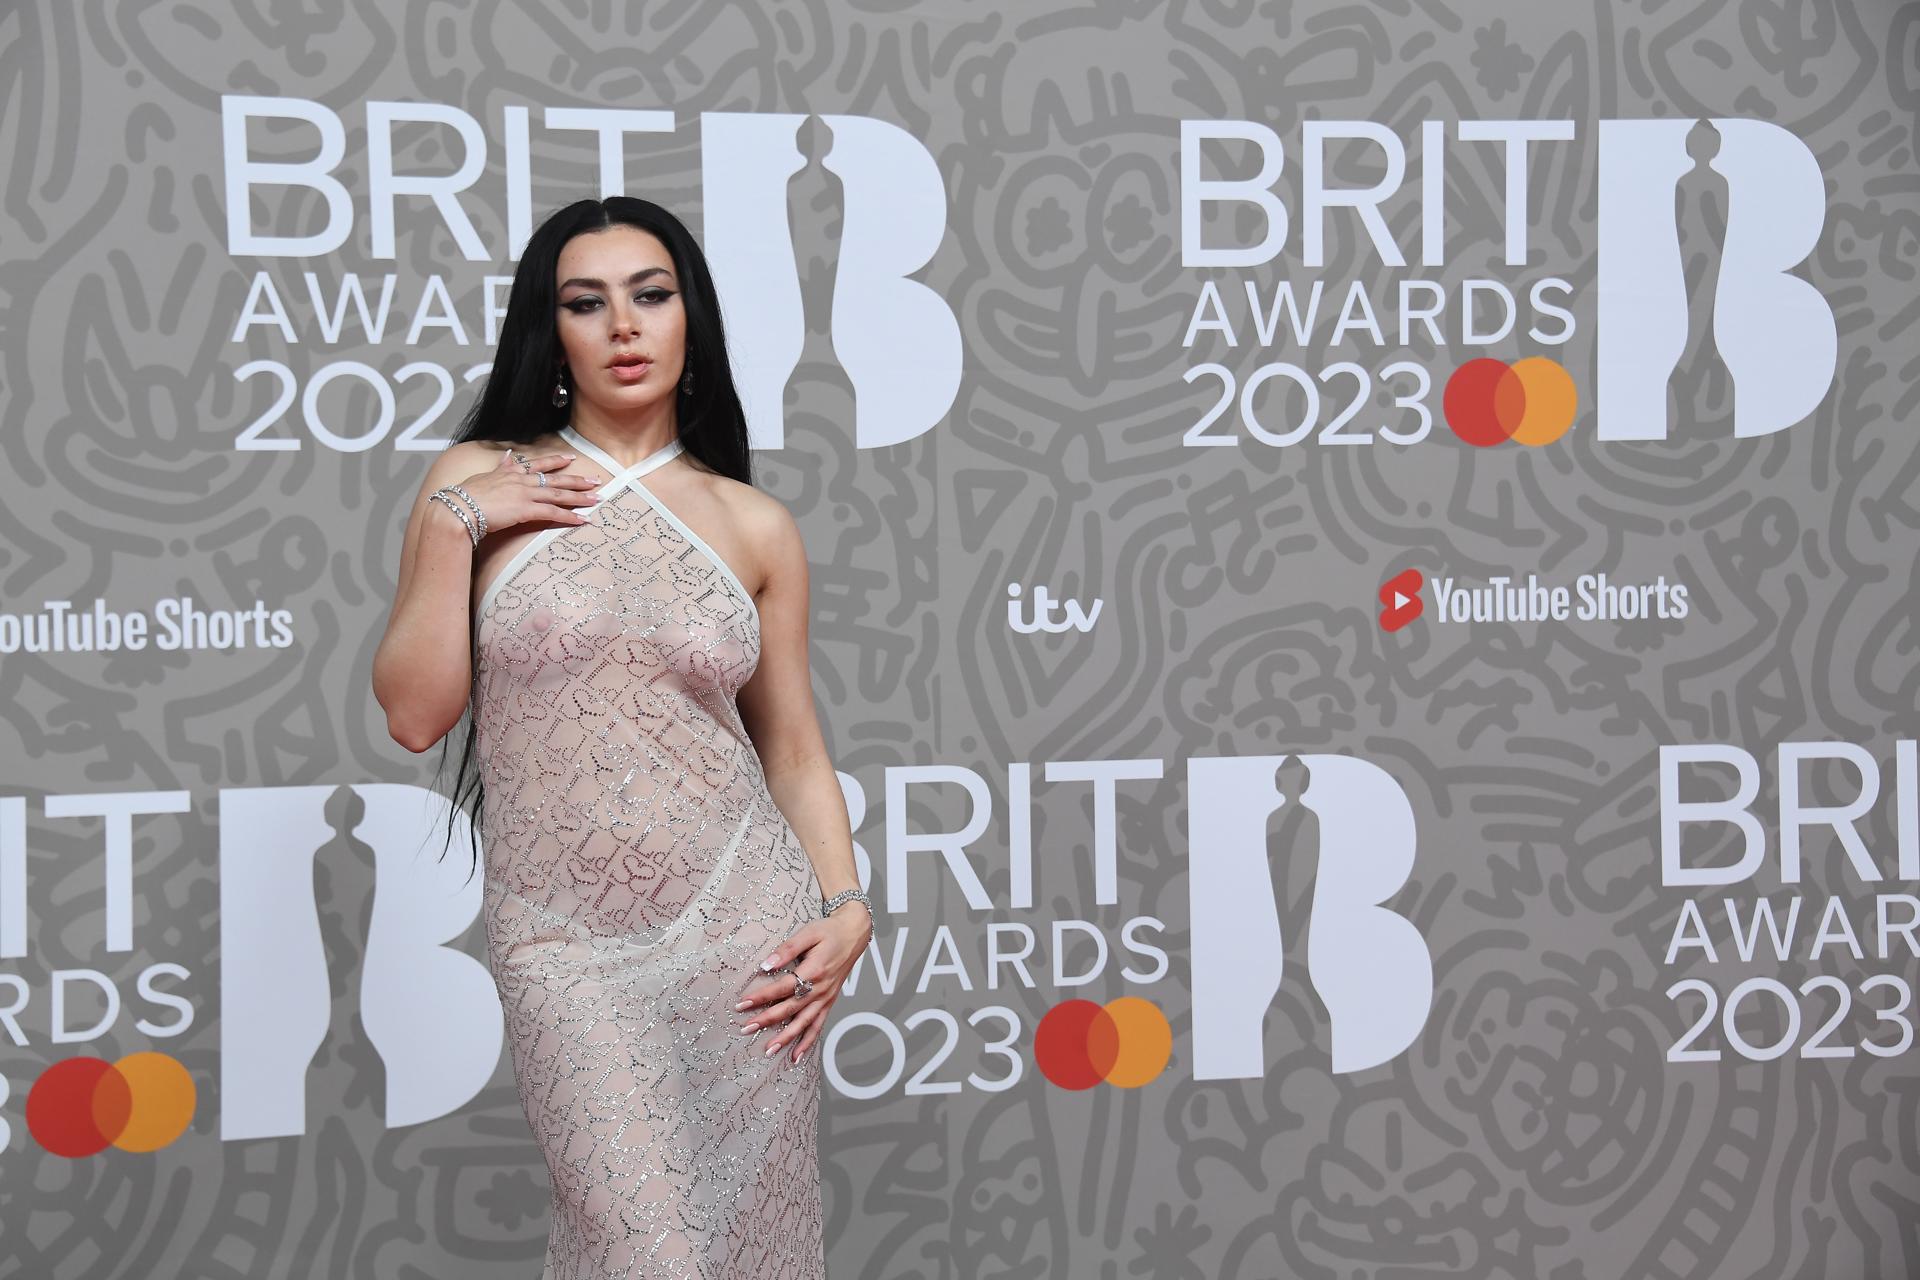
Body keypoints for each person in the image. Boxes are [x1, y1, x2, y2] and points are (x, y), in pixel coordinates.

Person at [370, 195, 871, 1279]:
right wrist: (464, 519)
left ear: (691, 317)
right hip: (563, 944)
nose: (626, 327)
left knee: (749, 1254)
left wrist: (847, 905)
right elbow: (414, 714)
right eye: (587, 304)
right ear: (552, 333)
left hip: (747, 935)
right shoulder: (477, 481)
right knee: (650, 1254)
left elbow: (791, 745)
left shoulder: (751, 522)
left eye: (652, 295)